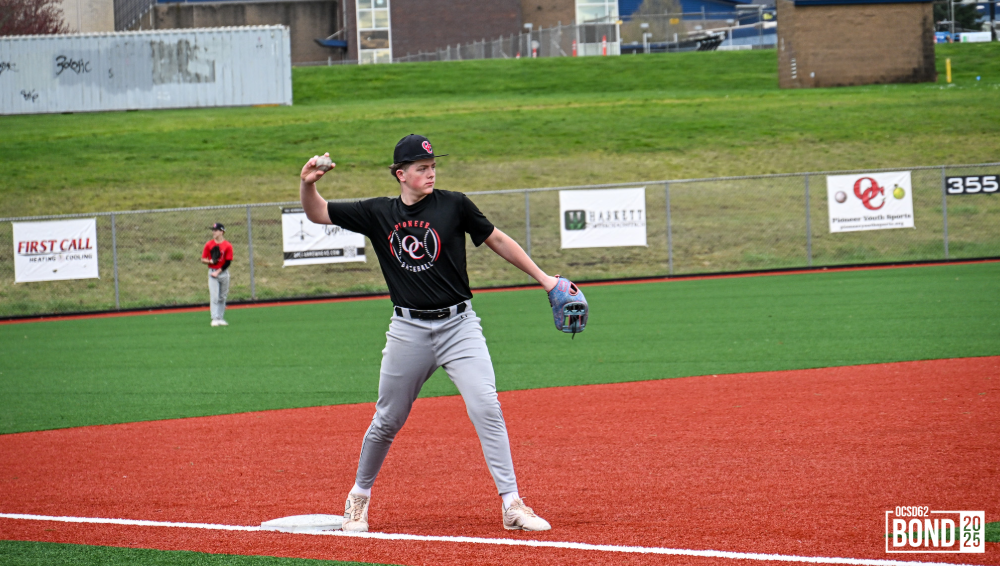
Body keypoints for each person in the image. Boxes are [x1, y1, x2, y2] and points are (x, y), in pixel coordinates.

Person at [299, 135, 560, 533]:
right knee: (387, 419)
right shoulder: (377, 213)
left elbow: (498, 240)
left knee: (486, 405)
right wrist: (308, 184)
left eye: (433, 164)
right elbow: (318, 214)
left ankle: (512, 504)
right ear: (400, 174)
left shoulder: (454, 204)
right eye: (421, 167)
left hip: (459, 326)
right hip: (408, 329)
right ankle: (358, 497)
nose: (430, 171)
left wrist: (545, 280)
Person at [201, 222, 233, 327]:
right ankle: (214, 318)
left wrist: (218, 271)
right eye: (213, 230)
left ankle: (220, 318)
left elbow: (228, 262)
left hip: (223, 272)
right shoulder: (209, 244)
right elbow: (203, 259)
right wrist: (210, 262)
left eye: (216, 230)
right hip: (212, 272)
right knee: (214, 296)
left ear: (222, 232)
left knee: (222, 297)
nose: (213, 232)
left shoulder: (227, 245)